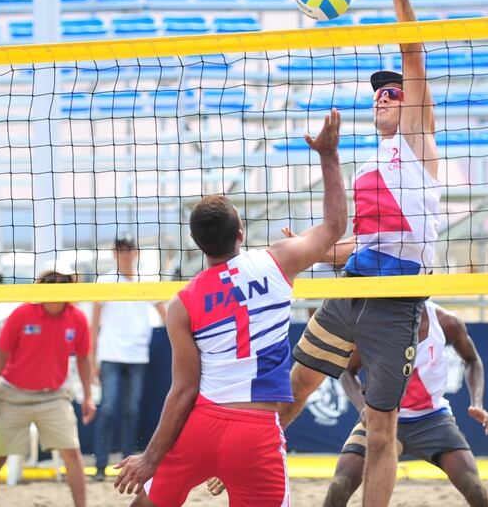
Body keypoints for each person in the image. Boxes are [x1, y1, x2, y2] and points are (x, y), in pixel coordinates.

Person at [114, 109, 347, 507]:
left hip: (201, 424)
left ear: (198, 245)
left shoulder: (181, 304)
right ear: (241, 233)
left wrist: (150, 459)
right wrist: (327, 155)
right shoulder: (277, 261)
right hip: (255, 430)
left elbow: (183, 390)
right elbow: (335, 226)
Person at [283, 0, 440, 507]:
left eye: (393, 91)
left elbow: (413, 52)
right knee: (291, 391)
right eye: (378, 91)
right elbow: (364, 243)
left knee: (380, 431)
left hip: (397, 302)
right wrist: (303, 252)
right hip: (352, 288)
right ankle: (250, 464)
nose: (384, 94)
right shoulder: (373, 165)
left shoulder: (419, 144)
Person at [325, 300, 488, 507]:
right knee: (339, 487)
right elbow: (347, 371)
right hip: (382, 417)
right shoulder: (374, 323)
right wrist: (362, 407)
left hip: (433, 419)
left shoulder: (447, 322)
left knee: (474, 487)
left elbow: (472, 360)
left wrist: (477, 402)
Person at [0, 264, 96, 507]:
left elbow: (84, 358)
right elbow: (0, 356)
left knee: (72, 454)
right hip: (13, 395)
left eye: (64, 281)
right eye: (52, 280)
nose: (58, 285)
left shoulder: (76, 318)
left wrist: (87, 396)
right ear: (41, 284)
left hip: (53, 397)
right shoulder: (22, 314)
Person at [92, 235, 167, 482]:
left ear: (135, 253)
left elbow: (166, 314)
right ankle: (101, 464)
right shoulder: (104, 280)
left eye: (129, 250)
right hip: (111, 354)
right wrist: (92, 359)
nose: (125, 254)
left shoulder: (147, 279)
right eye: (120, 251)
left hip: (137, 354)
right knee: (109, 407)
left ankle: (127, 460)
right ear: (115, 254)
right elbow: (94, 324)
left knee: (132, 409)